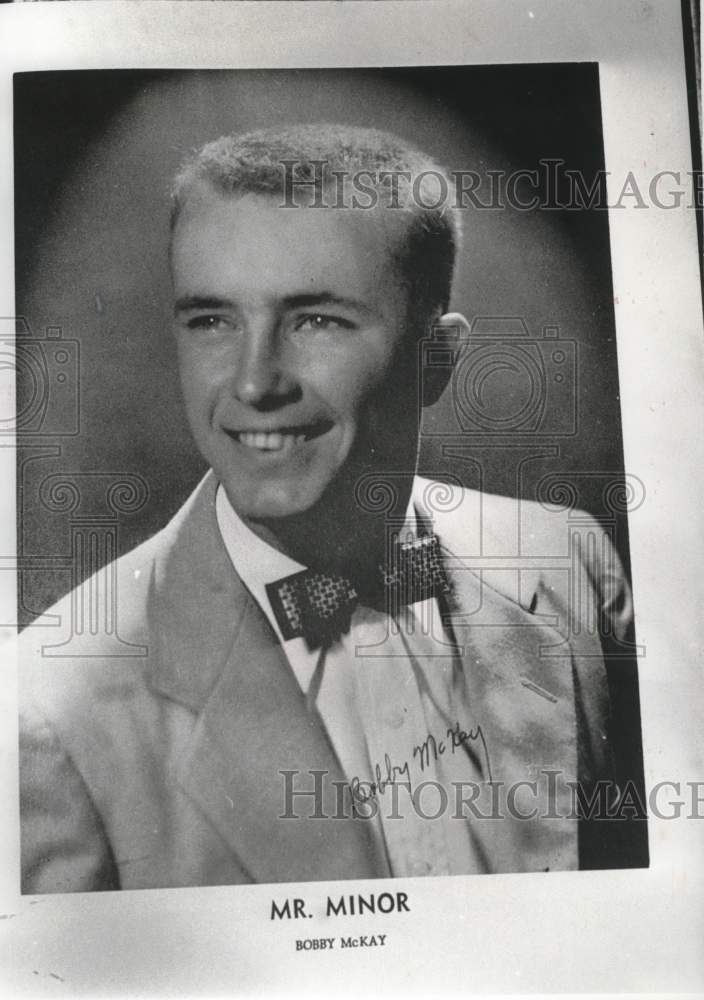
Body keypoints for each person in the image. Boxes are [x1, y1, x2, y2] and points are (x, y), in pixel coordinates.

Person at [18, 124, 644, 893]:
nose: (254, 384)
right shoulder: (45, 714)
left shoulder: (569, 561)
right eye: (212, 320)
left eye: (316, 320)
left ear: (437, 358)